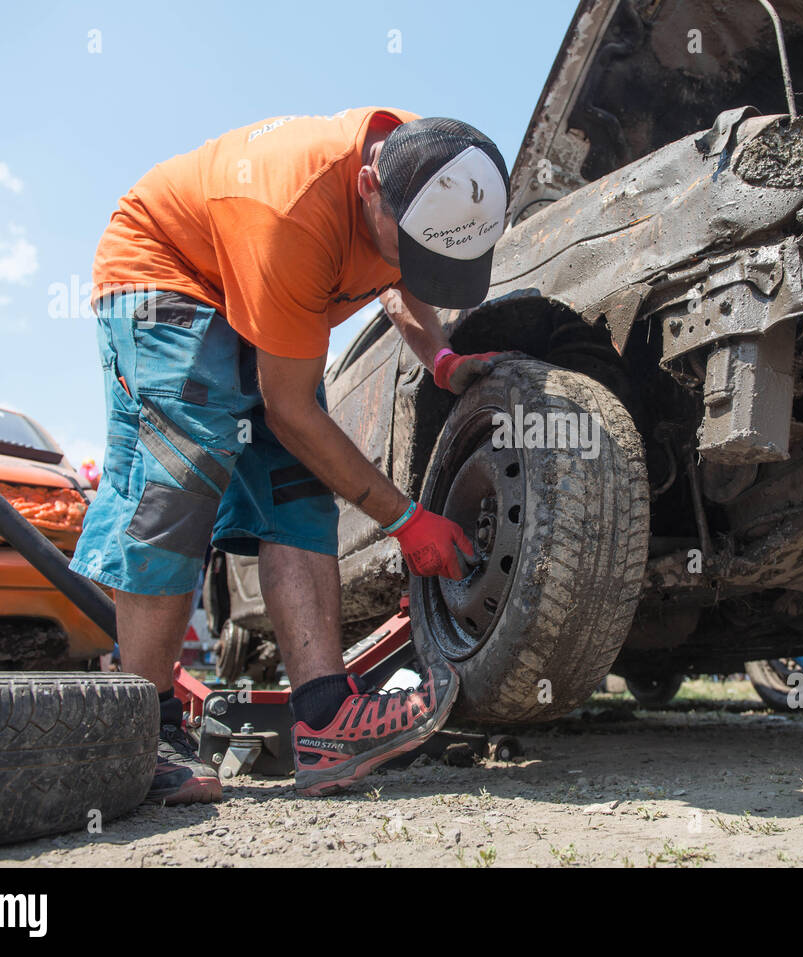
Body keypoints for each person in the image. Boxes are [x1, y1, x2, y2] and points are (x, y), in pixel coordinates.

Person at [71, 108, 511, 802]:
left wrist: (441, 355)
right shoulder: (294, 212)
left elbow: (402, 275)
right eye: (413, 248)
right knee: (183, 466)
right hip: (166, 269)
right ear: (368, 186)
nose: (415, 264)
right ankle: (142, 732)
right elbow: (291, 408)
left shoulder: (435, 167)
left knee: (299, 482)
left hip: (261, 285)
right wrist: (405, 519)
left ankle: (325, 718)